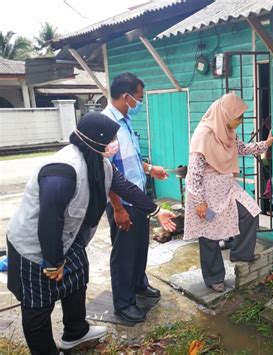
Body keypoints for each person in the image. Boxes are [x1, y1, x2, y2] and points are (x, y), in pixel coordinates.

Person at [6, 112, 175, 354]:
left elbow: (125, 187)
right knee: (38, 306)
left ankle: (75, 332)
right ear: (97, 141)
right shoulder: (61, 170)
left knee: (76, 281)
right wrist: (53, 261)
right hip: (35, 245)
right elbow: (49, 220)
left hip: (67, 239)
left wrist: (156, 210)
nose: (114, 145)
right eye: (111, 140)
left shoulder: (100, 162)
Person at [184, 93, 273, 293]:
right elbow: (194, 174)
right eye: (239, 116)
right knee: (209, 236)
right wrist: (200, 202)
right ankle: (214, 277)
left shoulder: (227, 132)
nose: (241, 121)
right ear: (226, 115)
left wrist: (265, 145)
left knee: (250, 213)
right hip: (206, 196)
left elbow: (242, 148)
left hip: (227, 189)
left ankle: (241, 254)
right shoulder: (203, 135)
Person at [102, 72, 169, 323]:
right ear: (126, 96)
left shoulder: (126, 121)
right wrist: (118, 207)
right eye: (138, 98)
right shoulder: (106, 124)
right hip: (122, 203)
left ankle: (139, 284)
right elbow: (105, 170)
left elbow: (129, 160)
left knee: (141, 247)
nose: (140, 103)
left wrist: (151, 169)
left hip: (138, 198)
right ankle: (124, 303)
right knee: (124, 253)